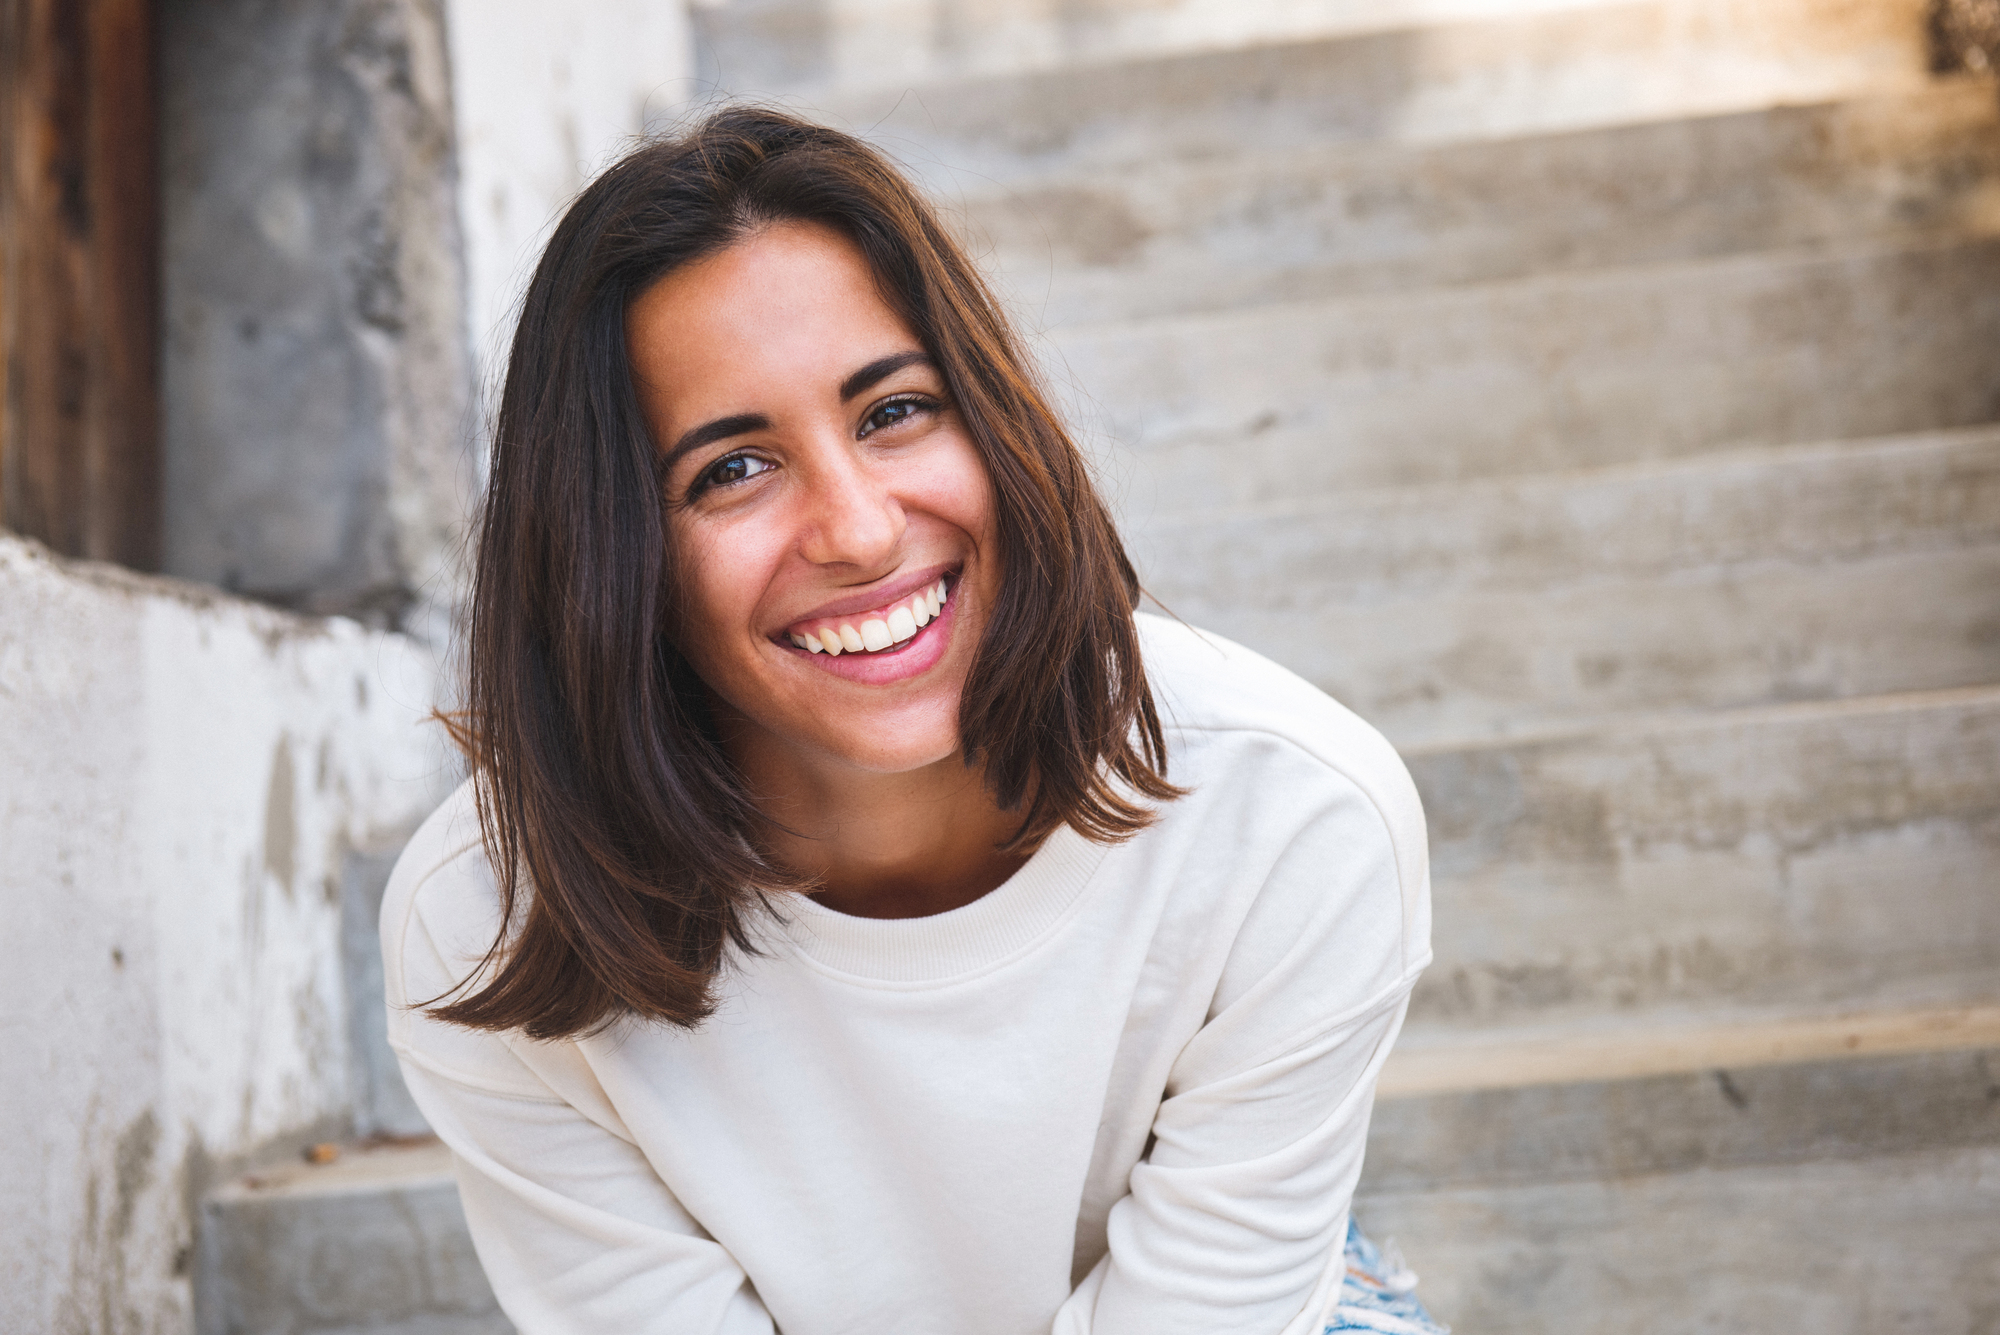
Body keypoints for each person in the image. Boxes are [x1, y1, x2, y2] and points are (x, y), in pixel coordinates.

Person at [383, 107, 1441, 1335]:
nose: (861, 531)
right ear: (616, 557)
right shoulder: (486, 922)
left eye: (892, 411)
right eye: (730, 469)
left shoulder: (1291, 814)